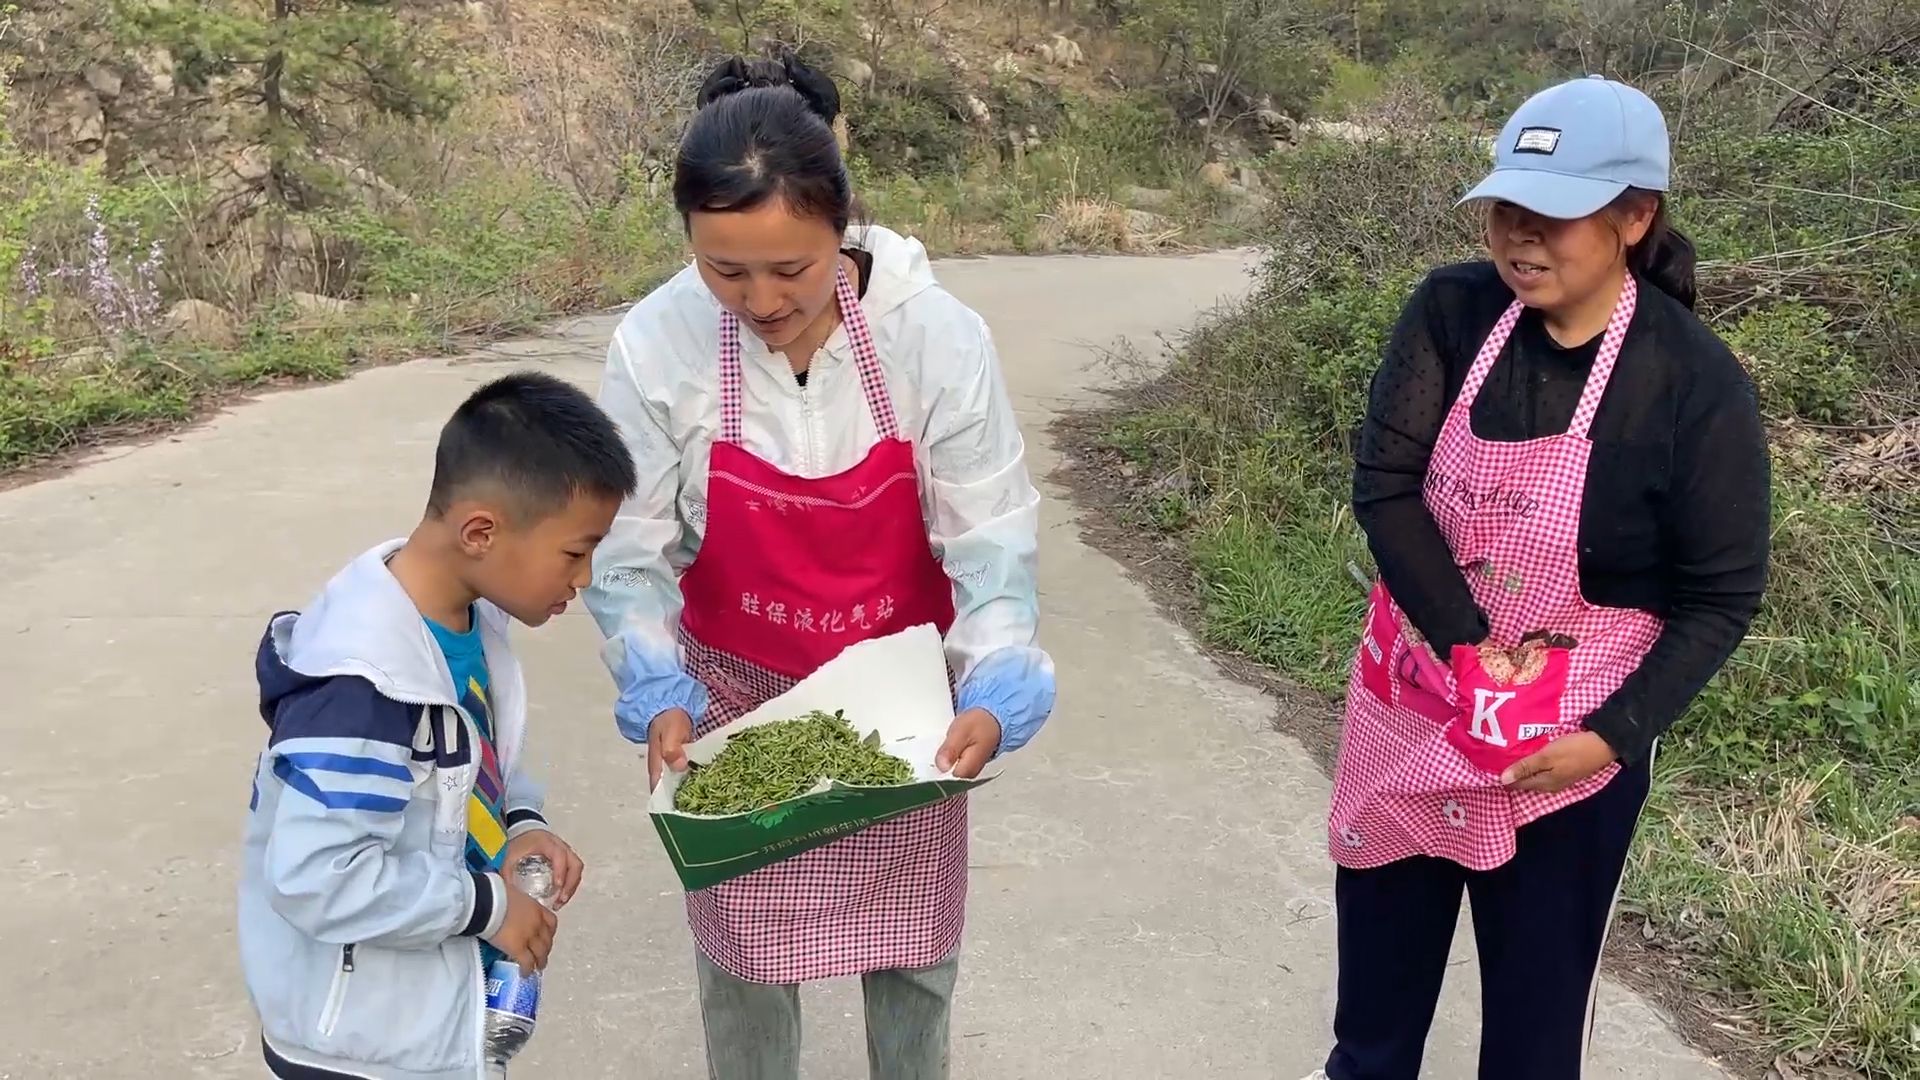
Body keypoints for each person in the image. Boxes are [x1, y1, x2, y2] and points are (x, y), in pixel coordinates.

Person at [584, 53, 1056, 1079]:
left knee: (916, 959)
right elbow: (628, 550)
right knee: (744, 966)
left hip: (901, 709)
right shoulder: (658, 342)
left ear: (839, 225)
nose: (759, 300)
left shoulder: (934, 337)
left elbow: (989, 535)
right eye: (725, 270)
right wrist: (654, 680)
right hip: (735, 704)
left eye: (790, 269)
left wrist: (998, 670)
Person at [1313, 77, 1770, 1079]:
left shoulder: (1690, 382)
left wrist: (1605, 741)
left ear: (1634, 217)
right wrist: (1469, 641)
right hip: (1419, 710)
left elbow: (1720, 597)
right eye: (1507, 209)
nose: (1521, 236)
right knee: (1374, 1031)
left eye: (1553, 215)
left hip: (1571, 756)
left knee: (1531, 1042)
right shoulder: (1452, 313)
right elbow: (1386, 486)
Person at [237, 371, 638, 1080]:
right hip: (359, 1047)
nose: (583, 579)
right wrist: (489, 906)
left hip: (429, 1016)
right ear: (480, 531)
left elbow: (479, 754)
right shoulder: (363, 687)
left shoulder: (463, 617)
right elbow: (316, 876)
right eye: (575, 552)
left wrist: (519, 823)